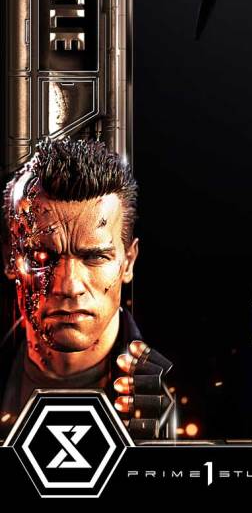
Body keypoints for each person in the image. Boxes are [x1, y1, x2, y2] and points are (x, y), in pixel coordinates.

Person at [0, 137, 174, 439]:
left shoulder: (186, 395)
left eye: (94, 257)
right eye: (42, 257)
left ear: (128, 262)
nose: (69, 286)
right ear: (10, 260)